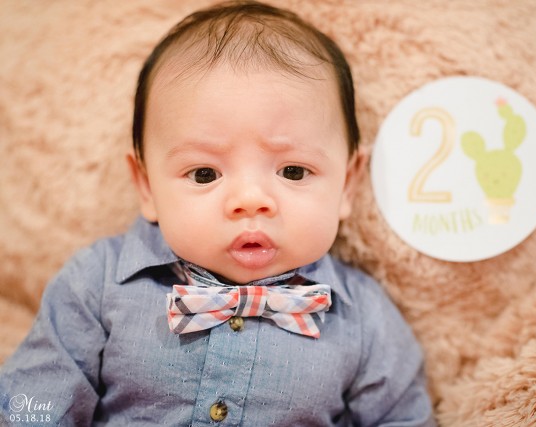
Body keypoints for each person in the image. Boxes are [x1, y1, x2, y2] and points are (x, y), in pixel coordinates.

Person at [0, 1, 436, 425]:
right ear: (147, 186)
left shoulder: (366, 320)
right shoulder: (95, 285)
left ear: (347, 184)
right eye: (204, 173)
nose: (250, 200)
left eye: (293, 171)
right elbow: (30, 407)